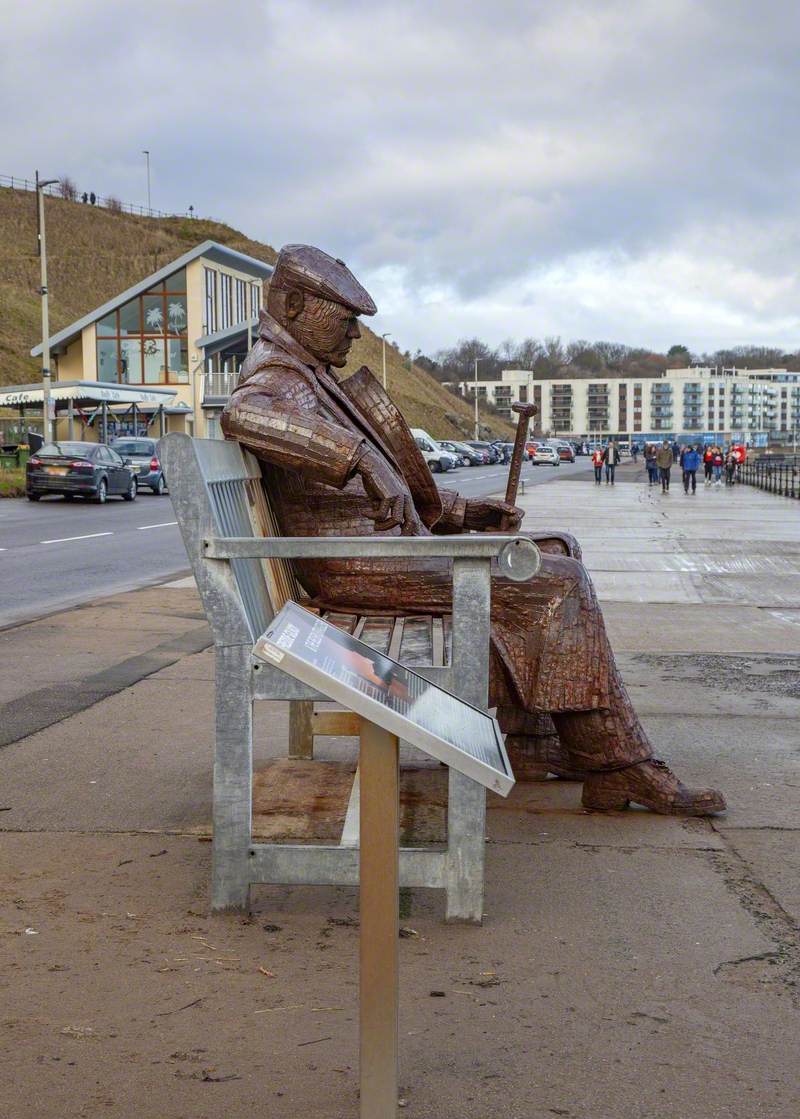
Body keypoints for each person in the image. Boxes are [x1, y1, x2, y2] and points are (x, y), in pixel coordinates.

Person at [221, 243, 723, 815]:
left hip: (379, 553)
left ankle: (529, 738)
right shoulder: (276, 376)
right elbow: (243, 415)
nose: (355, 334)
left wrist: (462, 513)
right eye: (346, 317)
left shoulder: (311, 376)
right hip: (359, 567)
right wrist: (360, 454)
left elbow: (383, 498)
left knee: (556, 549)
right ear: (291, 304)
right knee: (555, 583)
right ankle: (619, 765)